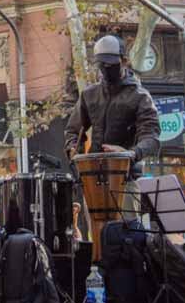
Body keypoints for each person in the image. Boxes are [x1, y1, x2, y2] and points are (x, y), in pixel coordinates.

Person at [63, 34, 160, 218]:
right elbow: (72, 131)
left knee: (127, 237)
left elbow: (152, 139)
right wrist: (72, 150)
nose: (106, 68)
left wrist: (129, 154)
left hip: (126, 178)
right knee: (98, 240)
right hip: (92, 179)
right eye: (102, 64)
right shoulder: (89, 95)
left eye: (110, 64)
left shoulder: (140, 97)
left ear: (124, 60)